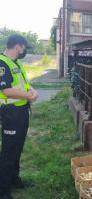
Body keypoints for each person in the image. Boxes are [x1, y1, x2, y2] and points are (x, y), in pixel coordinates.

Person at [0, 34, 39, 199]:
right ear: (18, 46)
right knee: (8, 152)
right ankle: (3, 190)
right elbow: (6, 91)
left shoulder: (16, 62)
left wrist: (33, 91)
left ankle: (14, 179)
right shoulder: (2, 63)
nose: (24, 51)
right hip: (10, 114)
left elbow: (24, 83)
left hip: (22, 112)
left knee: (17, 149)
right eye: (24, 48)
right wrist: (28, 96)